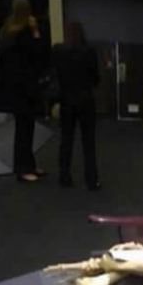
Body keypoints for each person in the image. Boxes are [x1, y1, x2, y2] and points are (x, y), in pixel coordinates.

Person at [0, 0, 46, 182]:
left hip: (13, 86)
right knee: (26, 130)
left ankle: (28, 165)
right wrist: (35, 30)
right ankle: (23, 169)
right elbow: (38, 52)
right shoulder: (24, 32)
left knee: (23, 128)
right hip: (25, 87)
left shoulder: (6, 30)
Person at [52, 22, 101, 190]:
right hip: (86, 100)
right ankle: (91, 180)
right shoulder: (89, 51)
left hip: (66, 100)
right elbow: (95, 78)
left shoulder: (58, 51)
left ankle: (64, 176)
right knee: (88, 143)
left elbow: (55, 74)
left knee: (66, 140)